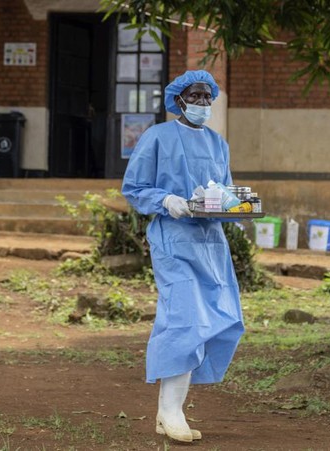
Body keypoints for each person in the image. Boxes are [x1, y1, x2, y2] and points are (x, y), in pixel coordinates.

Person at [121, 70, 244, 443]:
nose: (203, 103)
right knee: (185, 319)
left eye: (208, 97)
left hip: (211, 242)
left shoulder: (218, 143)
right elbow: (134, 187)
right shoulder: (157, 136)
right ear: (179, 100)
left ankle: (170, 410)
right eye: (196, 96)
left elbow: (223, 191)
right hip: (174, 239)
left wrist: (236, 207)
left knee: (217, 319)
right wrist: (165, 200)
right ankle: (169, 411)